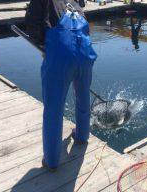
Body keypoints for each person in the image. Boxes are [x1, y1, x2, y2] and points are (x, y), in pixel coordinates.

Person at [25, 0, 97, 172]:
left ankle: (51, 161)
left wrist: (45, 45)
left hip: (60, 58)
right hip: (85, 54)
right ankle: (81, 136)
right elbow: (85, 24)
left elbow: (33, 24)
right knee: (83, 97)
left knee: (53, 110)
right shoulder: (74, 2)